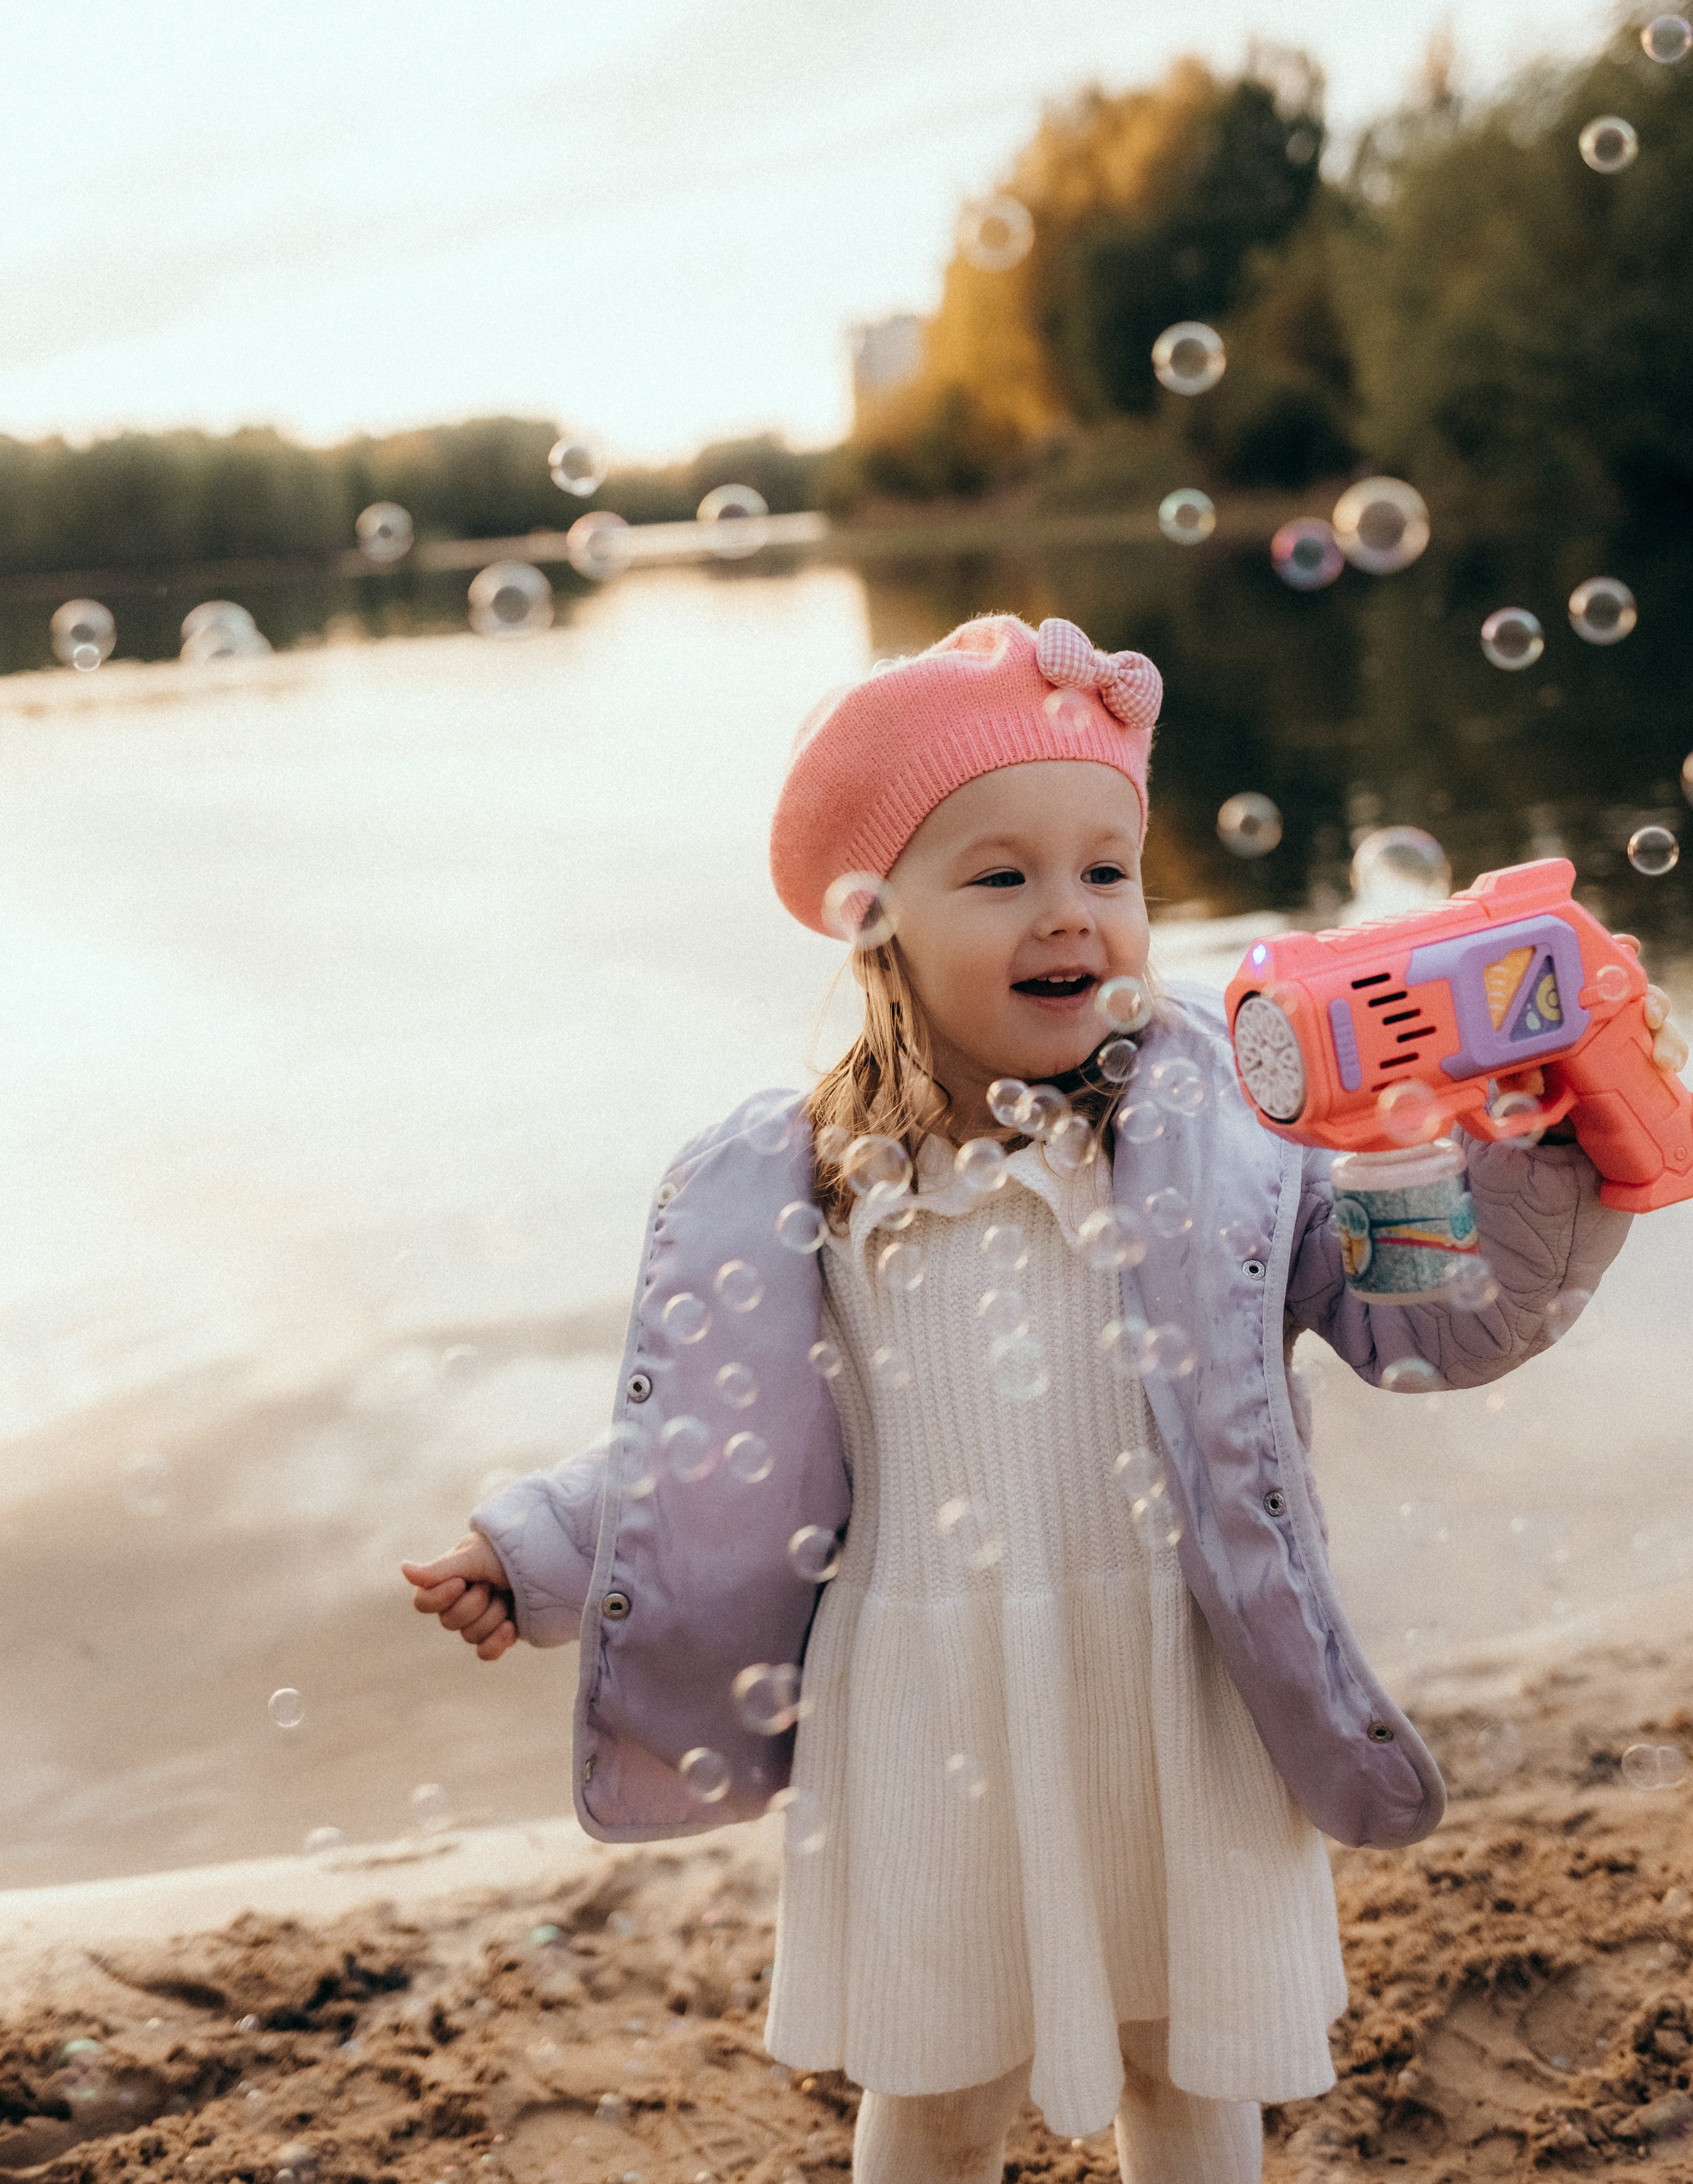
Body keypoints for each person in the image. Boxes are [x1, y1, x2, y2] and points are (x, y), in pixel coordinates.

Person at [402, 613, 1682, 2184]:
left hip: (1176, 1676)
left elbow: (1424, 1320)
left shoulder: (1232, 1130)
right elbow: (708, 1456)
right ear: (877, 924)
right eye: (1001, 877)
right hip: (929, 1700)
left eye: (1105, 871)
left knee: (1189, 2067)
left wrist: (1531, 1155)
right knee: (934, 2088)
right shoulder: (811, 1185)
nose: (1068, 913)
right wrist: (531, 1549)